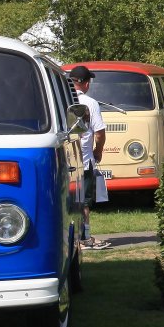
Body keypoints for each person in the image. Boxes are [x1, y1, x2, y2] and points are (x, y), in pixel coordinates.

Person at [69, 65, 110, 250]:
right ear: (86, 83)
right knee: (83, 202)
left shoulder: (61, 99)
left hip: (63, 159)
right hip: (84, 159)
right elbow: (99, 132)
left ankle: (72, 237)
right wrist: (98, 151)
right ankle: (85, 238)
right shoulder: (90, 103)